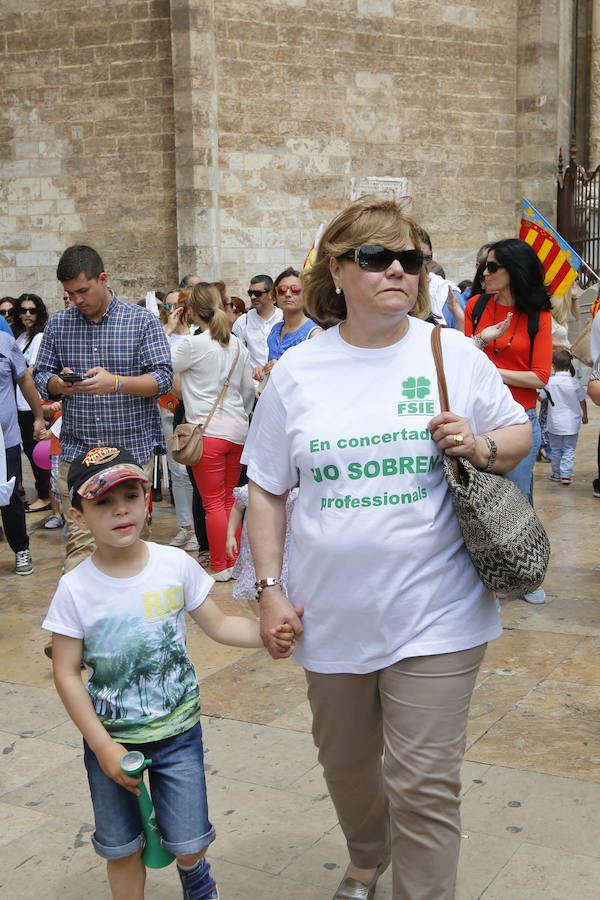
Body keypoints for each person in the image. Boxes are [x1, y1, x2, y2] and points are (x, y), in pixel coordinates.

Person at [243, 196, 531, 900]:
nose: (396, 270)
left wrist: (482, 444)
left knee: (426, 783)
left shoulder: (450, 352)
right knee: (345, 763)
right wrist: (270, 586)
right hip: (330, 611)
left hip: (439, 611)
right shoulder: (297, 373)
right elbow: (268, 488)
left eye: (410, 259)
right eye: (375, 258)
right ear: (337, 271)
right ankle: (368, 854)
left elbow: (518, 432)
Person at [42, 446, 295, 900]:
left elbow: (218, 625)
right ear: (77, 516)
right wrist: (102, 746)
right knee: (121, 849)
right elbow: (65, 673)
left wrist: (268, 634)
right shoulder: (74, 589)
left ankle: (197, 881)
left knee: (189, 842)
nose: (121, 509)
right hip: (113, 741)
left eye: (132, 495)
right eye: (102, 502)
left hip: (179, 735)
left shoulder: (173, 566)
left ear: (146, 501)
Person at [33, 245, 173, 571]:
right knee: (81, 547)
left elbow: (164, 379)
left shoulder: (141, 322)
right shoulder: (58, 324)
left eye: (83, 290)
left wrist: (117, 383)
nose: (77, 300)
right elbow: (41, 375)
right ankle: (89, 619)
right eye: (69, 293)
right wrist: (58, 384)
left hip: (130, 452)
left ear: (103, 278)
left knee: (131, 543)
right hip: (78, 452)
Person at [465, 239, 552, 604]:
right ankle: (483, 573)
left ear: (513, 271)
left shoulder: (538, 317)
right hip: (477, 422)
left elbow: (540, 377)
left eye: (493, 267)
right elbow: (463, 356)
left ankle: (525, 573)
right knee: (475, 502)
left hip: (520, 420)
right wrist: (480, 345)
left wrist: (493, 370)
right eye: (484, 266)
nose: (484, 273)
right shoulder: (476, 305)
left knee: (516, 498)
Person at [167, 283, 255, 579]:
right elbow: (246, 392)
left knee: (213, 503)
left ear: (191, 311)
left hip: (208, 432)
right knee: (231, 501)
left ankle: (220, 566)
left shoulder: (194, 345)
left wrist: (169, 330)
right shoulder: (237, 345)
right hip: (238, 431)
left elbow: (163, 366)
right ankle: (235, 562)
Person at [0, 328, 46, 574]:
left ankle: (21, 549)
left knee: (9, 496)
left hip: (4, 440)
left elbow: (25, 380)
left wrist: (38, 416)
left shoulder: (5, 342)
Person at [226, 483, 298, 614]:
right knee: (253, 584)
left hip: (285, 550)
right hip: (254, 551)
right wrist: (230, 535)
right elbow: (237, 509)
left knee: (284, 583)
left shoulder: (295, 494)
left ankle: (282, 614)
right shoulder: (249, 492)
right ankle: (260, 616)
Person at [14, 293, 51, 512]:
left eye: (32, 310)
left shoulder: (38, 338)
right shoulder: (20, 338)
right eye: (23, 310)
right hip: (19, 403)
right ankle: (42, 492)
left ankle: (45, 496)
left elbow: (32, 369)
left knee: (37, 450)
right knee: (29, 450)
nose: (27, 314)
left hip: (33, 403)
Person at [252, 267, 322, 383]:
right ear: (275, 295)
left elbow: (320, 377)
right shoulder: (276, 329)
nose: (288, 294)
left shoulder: (315, 334)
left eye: (295, 290)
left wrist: (282, 368)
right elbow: (272, 367)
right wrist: (262, 370)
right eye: (282, 290)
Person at [539, 348, 587, 485]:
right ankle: (566, 475)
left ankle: (556, 474)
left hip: (554, 423)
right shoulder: (575, 383)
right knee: (569, 449)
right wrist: (585, 415)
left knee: (555, 449)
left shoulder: (549, 382)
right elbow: (582, 400)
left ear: (553, 365)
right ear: (570, 366)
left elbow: (541, 399)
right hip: (572, 423)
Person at [232, 274, 282, 370]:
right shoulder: (243, 321)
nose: (253, 297)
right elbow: (237, 355)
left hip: (280, 380)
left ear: (270, 293)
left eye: (257, 293)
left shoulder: (283, 317)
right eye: (250, 293)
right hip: (253, 382)